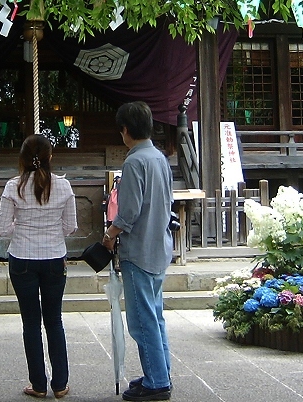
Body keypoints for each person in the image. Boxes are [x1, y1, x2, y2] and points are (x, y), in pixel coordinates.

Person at [0, 134, 77, 400]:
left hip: (22, 258)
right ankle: (61, 383)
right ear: (50, 157)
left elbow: (2, 228)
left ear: (21, 159)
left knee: (31, 322)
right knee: (55, 320)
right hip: (54, 258)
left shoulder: (12, 187)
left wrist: (23, 227)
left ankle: (38, 384)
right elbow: (70, 227)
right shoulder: (63, 187)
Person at [103, 102, 173, 402]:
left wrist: (109, 234)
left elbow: (128, 211)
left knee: (142, 320)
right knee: (155, 317)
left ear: (125, 130)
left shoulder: (133, 163)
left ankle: (157, 382)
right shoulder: (159, 158)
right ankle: (160, 373)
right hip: (159, 246)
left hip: (139, 251)